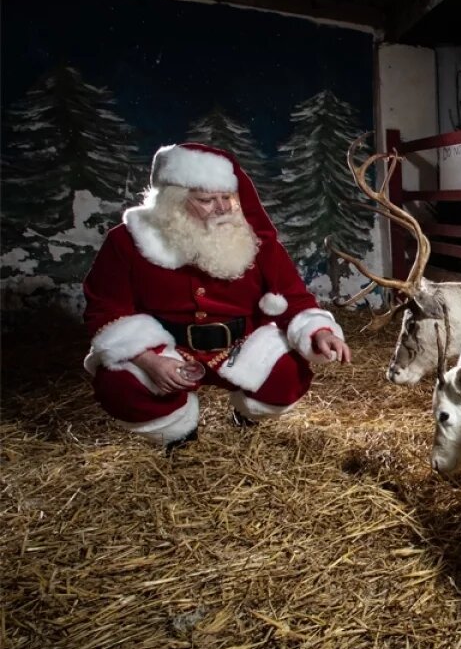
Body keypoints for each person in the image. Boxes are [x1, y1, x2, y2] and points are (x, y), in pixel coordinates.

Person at [81, 142, 352, 452]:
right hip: (169, 349)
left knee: (289, 374)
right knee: (118, 384)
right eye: (206, 200)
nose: (222, 208)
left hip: (240, 345)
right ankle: (176, 433)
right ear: (172, 202)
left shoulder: (254, 239)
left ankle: (248, 414)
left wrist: (320, 331)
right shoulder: (127, 241)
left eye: (228, 197)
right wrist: (149, 359)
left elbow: (293, 296)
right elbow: (106, 308)